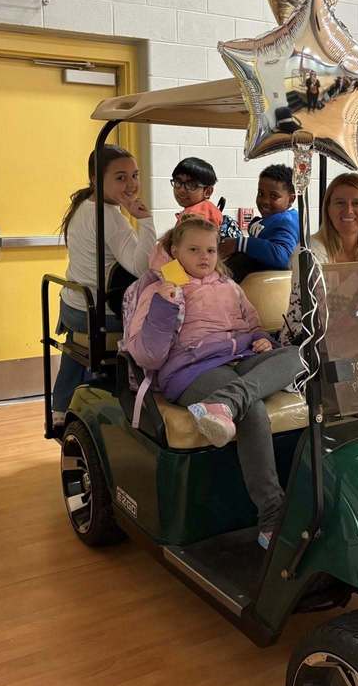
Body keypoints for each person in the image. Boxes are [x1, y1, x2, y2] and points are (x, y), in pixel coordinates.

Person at [122, 217, 301, 549]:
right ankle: (272, 516)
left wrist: (261, 338)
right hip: (192, 369)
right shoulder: (158, 289)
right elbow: (147, 355)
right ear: (174, 251)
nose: (204, 257)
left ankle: (229, 402)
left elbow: (251, 324)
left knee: (301, 356)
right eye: (193, 250)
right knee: (255, 411)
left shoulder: (229, 287)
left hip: (239, 359)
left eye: (210, 250)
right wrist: (166, 300)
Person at [52, 144, 155, 423]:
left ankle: (60, 408)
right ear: (96, 179)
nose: (131, 184)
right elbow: (141, 264)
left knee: (77, 345)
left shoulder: (85, 205)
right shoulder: (110, 217)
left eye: (135, 175)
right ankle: (143, 406)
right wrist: (145, 219)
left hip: (73, 306)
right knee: (164, 322)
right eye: (120, 177)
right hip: (97, 313)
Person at [279, 173, 358, 344]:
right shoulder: (308, 253)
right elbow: (323, 320)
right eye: (340, 203)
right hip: (308, 349)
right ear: (328, 209)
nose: (348, 210)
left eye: (357, 203)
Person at [221, 164, 299, 282]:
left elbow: (283, 257)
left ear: (291, 199)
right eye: (261, 194)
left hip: (266, 288)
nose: (264, 201)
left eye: (274, 196)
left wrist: (239, 243)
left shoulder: (287, 221)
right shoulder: (273, 219)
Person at [172, 157, 223, 227]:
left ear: (208, 192)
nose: (182, 190)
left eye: (191, 185)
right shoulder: (207, 208)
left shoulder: (196, 216)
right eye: (178, 182)